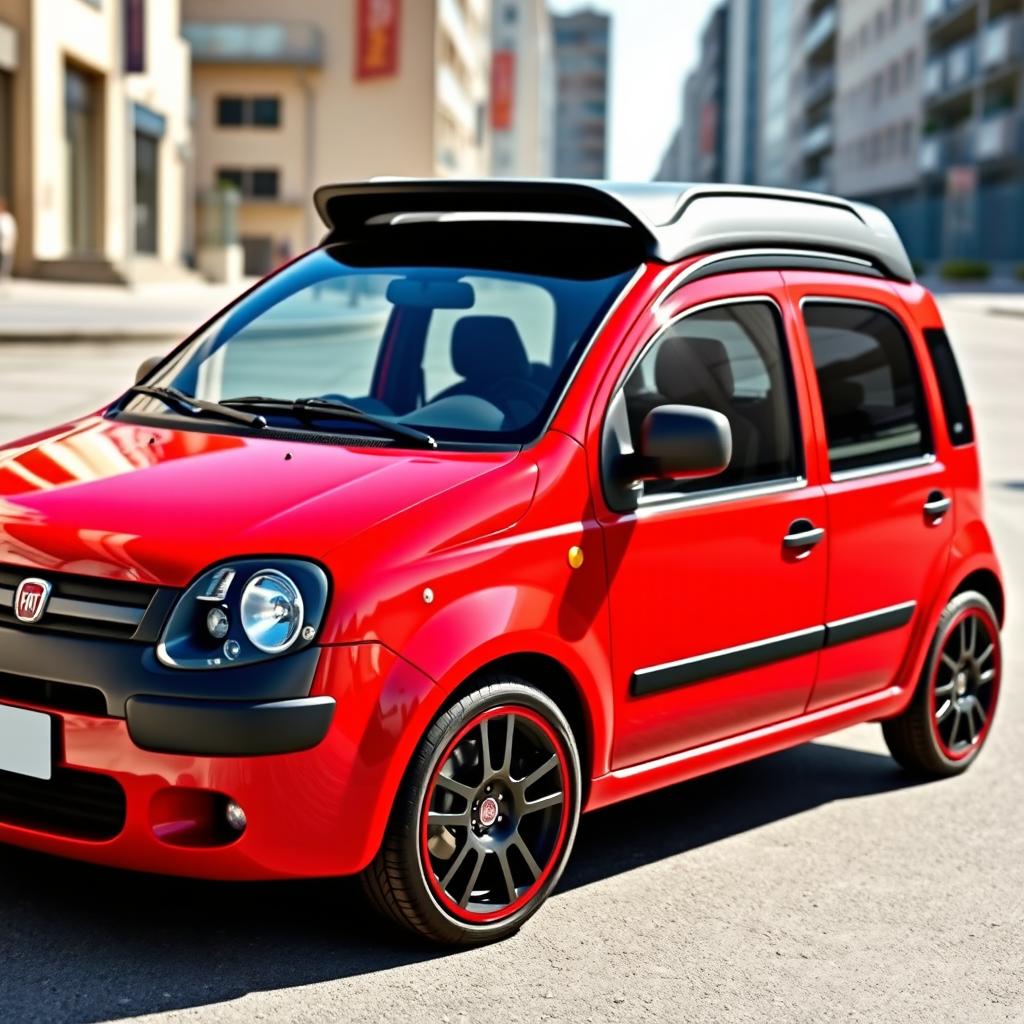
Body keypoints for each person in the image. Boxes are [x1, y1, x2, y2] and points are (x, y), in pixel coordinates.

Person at [0, 197, 16, 283]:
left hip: (5, 245)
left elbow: (10, 233)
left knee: (6, 261)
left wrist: (10, 243)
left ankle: (4, 277)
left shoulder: (7, 218)